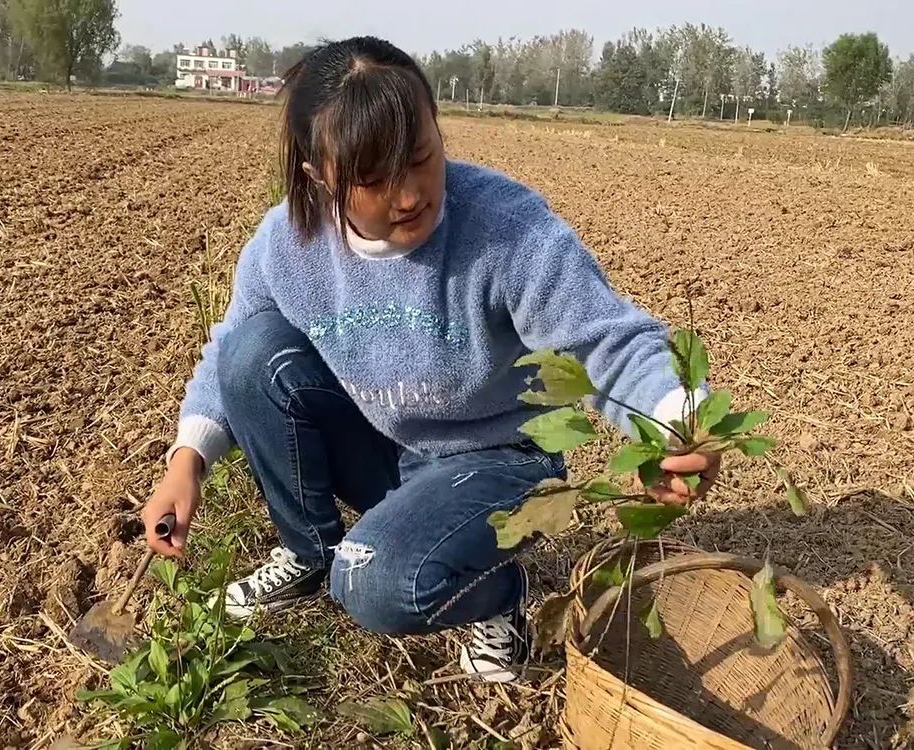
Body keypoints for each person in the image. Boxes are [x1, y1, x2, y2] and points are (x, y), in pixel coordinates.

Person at [142, 36, 718, 684]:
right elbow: (229, 351)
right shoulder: (287, 243)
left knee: (377, 584)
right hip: (389, 445)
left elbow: (603, 338)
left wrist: (673, 421)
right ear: (319, 176)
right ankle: (311, 554)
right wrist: (187, 461)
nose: (409, 194)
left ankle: (497, 598)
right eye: (372, 178)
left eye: (421, 157)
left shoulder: (505, 228)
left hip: (501, 461)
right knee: (253, 354)